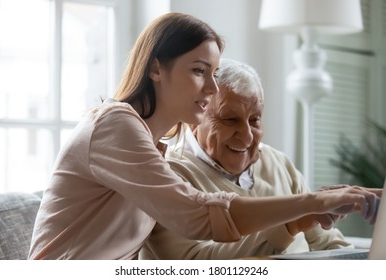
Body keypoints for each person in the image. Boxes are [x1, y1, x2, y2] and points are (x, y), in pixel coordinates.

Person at [28, 13, 379, 260]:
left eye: (213, 73)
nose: (211, 88)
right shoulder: (115, 124)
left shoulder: (151, 145)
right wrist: (310, 203)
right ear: (155, 68)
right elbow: (196, 215)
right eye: (198, 71)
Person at [139, 58, 377, 260]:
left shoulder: (277, 162)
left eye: (255, 120)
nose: (247, 136)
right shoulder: (168, 175)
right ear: (195, 121)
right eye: (229, 120)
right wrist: (290, 224)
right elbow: (195, 263)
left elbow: (327, 243)